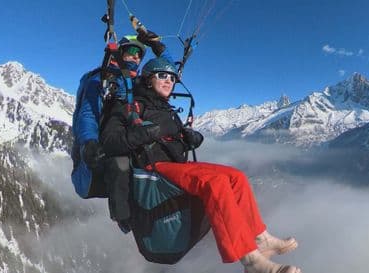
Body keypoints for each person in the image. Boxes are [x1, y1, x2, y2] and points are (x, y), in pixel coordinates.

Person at [99, 57, 302, 273]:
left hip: (175, 166)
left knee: (236, 177)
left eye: (172, 77)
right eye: (162, 75)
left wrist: (190, 138)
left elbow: (173, 139)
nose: (168, 80)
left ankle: (261, 238)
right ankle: (251, 261)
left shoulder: (165, 108)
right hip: (152, 168)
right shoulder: (130, 107)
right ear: (148, 79)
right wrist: (139, 135)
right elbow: (110, 142)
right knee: (215, 183)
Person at [71, 35, 146, 198]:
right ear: (121, 52)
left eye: (140, 54)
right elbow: (88, 113)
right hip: (99, 155)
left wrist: (158, 46)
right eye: (133, 51)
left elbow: (165, 75)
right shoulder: (102, 80)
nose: (136, 57)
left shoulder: (133, 84)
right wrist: (89, 142)